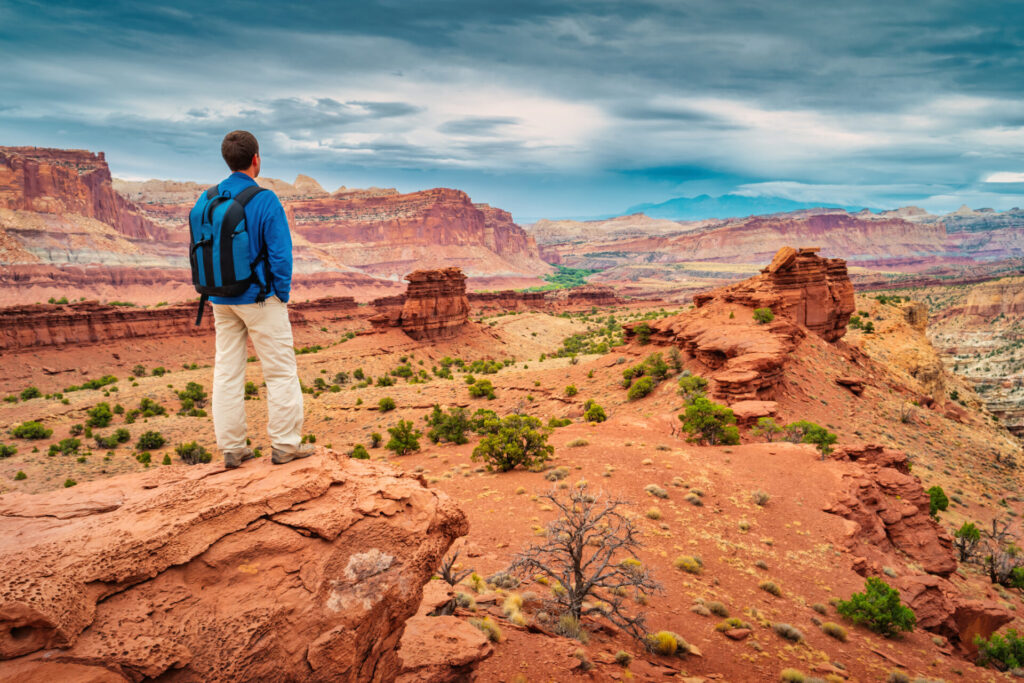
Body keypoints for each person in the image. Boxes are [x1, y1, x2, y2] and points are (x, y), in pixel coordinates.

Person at [194, 130, 313, 468]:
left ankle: (232, 449)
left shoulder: (207, 198)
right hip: (260, 299)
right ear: (256, 159)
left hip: (219, 298)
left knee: (228, 371)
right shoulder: (265, 199)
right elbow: (280, 255)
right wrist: (282, 296)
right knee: (280, 373)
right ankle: (286, 445)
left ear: (226, 159)